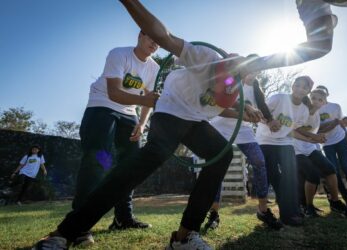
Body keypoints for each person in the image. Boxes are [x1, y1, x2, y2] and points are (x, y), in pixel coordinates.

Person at [32, 1, 263, 249]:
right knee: (139, 165)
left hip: (194, 119)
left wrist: (244, 110)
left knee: (221, 154)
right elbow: (163, 35)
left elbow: (215, 105)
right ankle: (65, 232)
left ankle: (184, 237)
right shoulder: (206, 57)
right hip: (170, 111)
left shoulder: (233, 89)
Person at [70, 30, 160, 246]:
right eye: (151, 38)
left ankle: (123, 218)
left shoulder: (154, 67)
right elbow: (114, 93)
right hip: (102, 106)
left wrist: (141, 123)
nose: (155, 43)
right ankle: (79, 225)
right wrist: (145, 102)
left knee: (131, 166)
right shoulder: (119, 54)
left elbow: (149, 99)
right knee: (97, 161)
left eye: (159, 42)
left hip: (130, 114)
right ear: (140, 35)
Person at [205, 70, 283, 231]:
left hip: (244, 130)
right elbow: (217, 98)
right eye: (251, 66)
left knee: (259, 161)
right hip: (221, 127)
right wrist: (244, 109)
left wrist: (270, 121)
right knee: (216, 167)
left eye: (258, 68)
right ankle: (214, 213)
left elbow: (261, 111)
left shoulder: (256, 91)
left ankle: (263, 210)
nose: (254, 70)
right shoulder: (230, 81)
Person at [255, 76, 316, 226]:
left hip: (285, 143)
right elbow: (260, 113)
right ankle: (263, 210)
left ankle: (290, 214)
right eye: (298, 85)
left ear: (308, 91)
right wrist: (270, 121)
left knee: (290, 176)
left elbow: (291, 131)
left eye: (305, 87)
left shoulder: (303, 111)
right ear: (293, 86)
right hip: (266, 140)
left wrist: (309, 139)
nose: (300, 89)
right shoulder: (278, 98)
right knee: (272, 175)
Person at [293, 89, 347, 218]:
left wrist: (320, 136)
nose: (316, 101)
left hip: (310, 148)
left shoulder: (317, 117)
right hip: (294, 148)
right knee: (312, 175)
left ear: (324, 103)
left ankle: (335, 202)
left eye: (320, 99)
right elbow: (293, 130)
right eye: (313, 98)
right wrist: (312, 137)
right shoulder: (300, 111)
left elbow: (315, 132)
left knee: (331, 169)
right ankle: (308, 207)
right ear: (309, 98)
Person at [316, 85, 347, 209]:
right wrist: (331, 124)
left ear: (327, 94)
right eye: (318, 93)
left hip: (340, 139)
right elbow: (316, 129)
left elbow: (341, 124)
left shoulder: (335, 106)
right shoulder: (313, 110)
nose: (321, 94)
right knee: (334, 171)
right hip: (327, 144)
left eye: (323, 92)